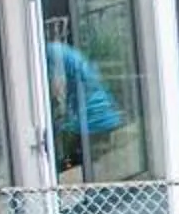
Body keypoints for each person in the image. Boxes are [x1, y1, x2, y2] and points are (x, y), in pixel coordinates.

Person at [45, 37, 123, 175]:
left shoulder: (49, 52)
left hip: (90, 117)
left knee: (68, 161)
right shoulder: (64, 51)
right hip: (103, 113)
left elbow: (58, 87)